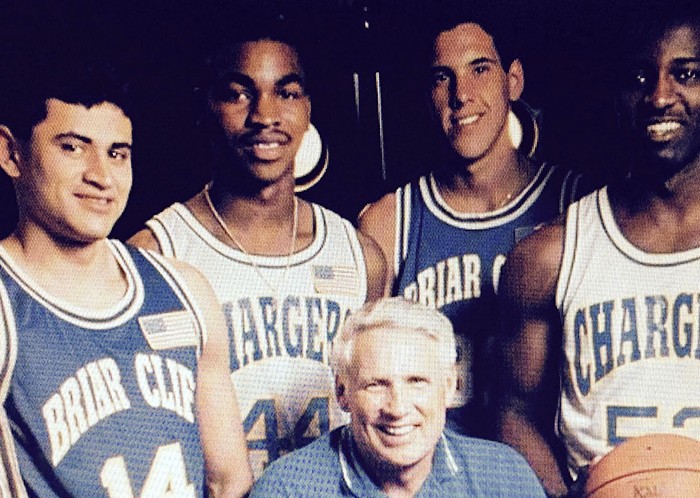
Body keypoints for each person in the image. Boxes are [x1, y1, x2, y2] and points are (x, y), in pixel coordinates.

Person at [129, 28, 387, 478]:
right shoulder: (157, 254)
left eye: (286, 93)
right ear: (208, 108)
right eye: (239, 94)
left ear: (307, 109)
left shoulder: (360, 256)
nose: (265, 115)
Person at [0, 60, 252, 496]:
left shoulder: (184, 290)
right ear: (10, 153)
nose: (101, 176)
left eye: (117, 153)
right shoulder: (7, 307)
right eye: (72, 148)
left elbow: (229, 479)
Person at [496, 7, 700, 497]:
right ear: (617, 96)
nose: (659, 96)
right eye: (639, 77)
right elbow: (513, 415)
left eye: (686, 73)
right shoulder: (549, 256)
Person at [358, 14, 588, 437]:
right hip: (430, 463)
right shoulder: (391, 221)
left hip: (541, 463)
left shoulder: (575, 205)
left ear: (513, 80)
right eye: (442, 78)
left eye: (479, 69)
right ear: (428, 94)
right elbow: (361, 384)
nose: (461, 95)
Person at [250, 297, 546, 497]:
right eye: (376, 385)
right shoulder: (288, 489)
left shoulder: (504, 476)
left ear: (449, 387)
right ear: (342, 393)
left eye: (417, 382)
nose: (398, 408)